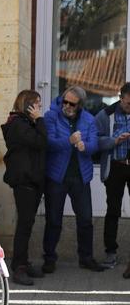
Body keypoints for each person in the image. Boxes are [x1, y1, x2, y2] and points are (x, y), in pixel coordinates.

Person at [42, 86, 104, 273]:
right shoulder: (51, 116)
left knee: (85, 219)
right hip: (56, 176)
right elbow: (49, 143)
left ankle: (86, 258)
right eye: (65, 101)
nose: (66, 105)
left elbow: (95, 145)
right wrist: (68, 141)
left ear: (80, 105)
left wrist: (86, 147)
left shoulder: (89, 119)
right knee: (54, 220)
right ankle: (49, 258)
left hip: (80, 176)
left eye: (72, 103)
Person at [1, 90, 47, 286]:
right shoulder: (18, 124)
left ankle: (23, 262)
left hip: (32, 179)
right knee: (24, 224)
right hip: (24, 180)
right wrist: (40, 120)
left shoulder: (25, 123)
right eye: (37, 104)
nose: (39, 108)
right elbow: (42, 142)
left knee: (27, 224)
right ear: (28, 105)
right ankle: (18, 266)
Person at [95, 82, 130, 273]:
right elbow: (95, 141)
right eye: (128, 104)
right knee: (113, 210)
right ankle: (110, 253)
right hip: (115, 167)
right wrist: (114, 140)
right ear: (120, 98)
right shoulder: (105, 115)